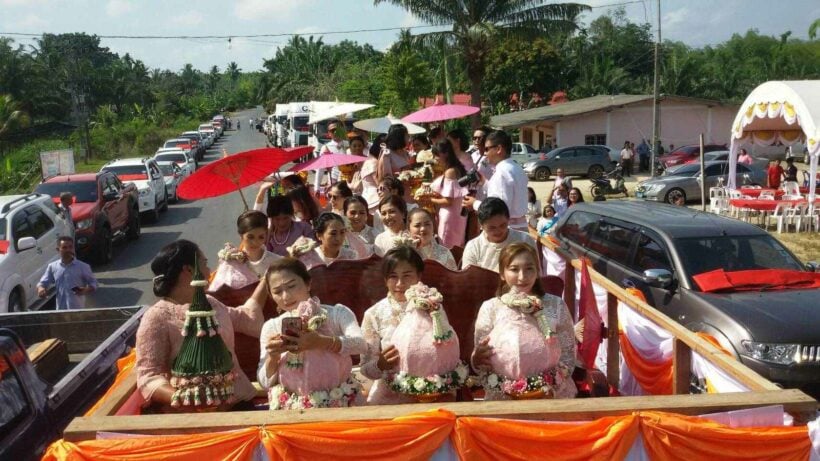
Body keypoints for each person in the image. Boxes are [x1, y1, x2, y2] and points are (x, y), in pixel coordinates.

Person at [136, 239, 267, 410]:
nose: (208, 270)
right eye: (204, 263)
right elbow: (148, 376)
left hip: (237, 401)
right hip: (193, 413)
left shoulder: (211, 303)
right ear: (189, 270)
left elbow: (247, 319)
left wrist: (267, 280)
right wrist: (182, 397)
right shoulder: (156, 317)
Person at [471, 242, 577, 400]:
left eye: (529, 268)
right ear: (502, 273)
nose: (522, 277)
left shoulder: (555, 305)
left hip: (550, 394)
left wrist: (551, 382)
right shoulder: (491, 307)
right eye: (514, 269)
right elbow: (480, 358)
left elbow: (568, 354)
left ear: (537, 271)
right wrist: (477, 358)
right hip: (503, 395)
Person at [257, 258, 366, 410]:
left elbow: (360, 345)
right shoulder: (272, 326)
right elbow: (264, 382)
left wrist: (322, 342)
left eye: (291, 286)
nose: (286, 296)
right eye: (277, 291)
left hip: (342, 405)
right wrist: (272, 358)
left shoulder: (337, 314)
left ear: (308, 284)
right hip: (294, 411)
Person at [360, 246, 424, 405]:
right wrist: (380, 364)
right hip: (389, 393)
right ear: (385, 280)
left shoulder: (432, 306)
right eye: (393, 277)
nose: (400, 283)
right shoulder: (373, 314)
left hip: (429, 391)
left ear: (419, 276)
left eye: (407, 276)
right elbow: (365, 369)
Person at [462, 130, 529, 231]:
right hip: (519, 227)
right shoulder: (516, 167)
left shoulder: (502, 172)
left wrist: (474, 203)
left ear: (498, 149)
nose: (485, 153)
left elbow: (498, 209)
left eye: (487, 149)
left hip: (505, 231)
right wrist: (484, 182)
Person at [461, 197, 534, 272]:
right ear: (481, 225)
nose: (498, 231)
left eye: (502, 225)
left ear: (508, 219)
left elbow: (535, 274)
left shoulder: (525, 241)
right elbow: (467, 279)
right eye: (492, 228)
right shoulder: (474, 247)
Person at [427, 140, 468, 248]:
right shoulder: (455, 168)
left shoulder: (451, 171)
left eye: (436, 155)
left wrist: (429, 199)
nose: (435, 158)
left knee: (446, 246)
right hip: (457, 214)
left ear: (445, 154)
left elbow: (448, 201)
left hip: (450, 216)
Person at [37, 236, 97, 310]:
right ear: (58, 249)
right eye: (64, 247)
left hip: (78, 310)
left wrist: (86, 290)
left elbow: (94, 283)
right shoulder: (52, 267)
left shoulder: (83, 266)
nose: (68, 249)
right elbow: (42, 283)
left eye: (70, 247)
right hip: (61, 310)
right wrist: (41, 289)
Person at [236, 210, 281, 278]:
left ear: (266, 236)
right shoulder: (234, 261)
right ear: (241, 236)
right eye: (250, 237)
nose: (255, 242)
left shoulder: (277, 262)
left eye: (261, 237)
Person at [360, 134, 384, 212]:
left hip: (368, 196)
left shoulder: (370, 159)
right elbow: (379, 182)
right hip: (374, 198)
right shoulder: (373, 162)